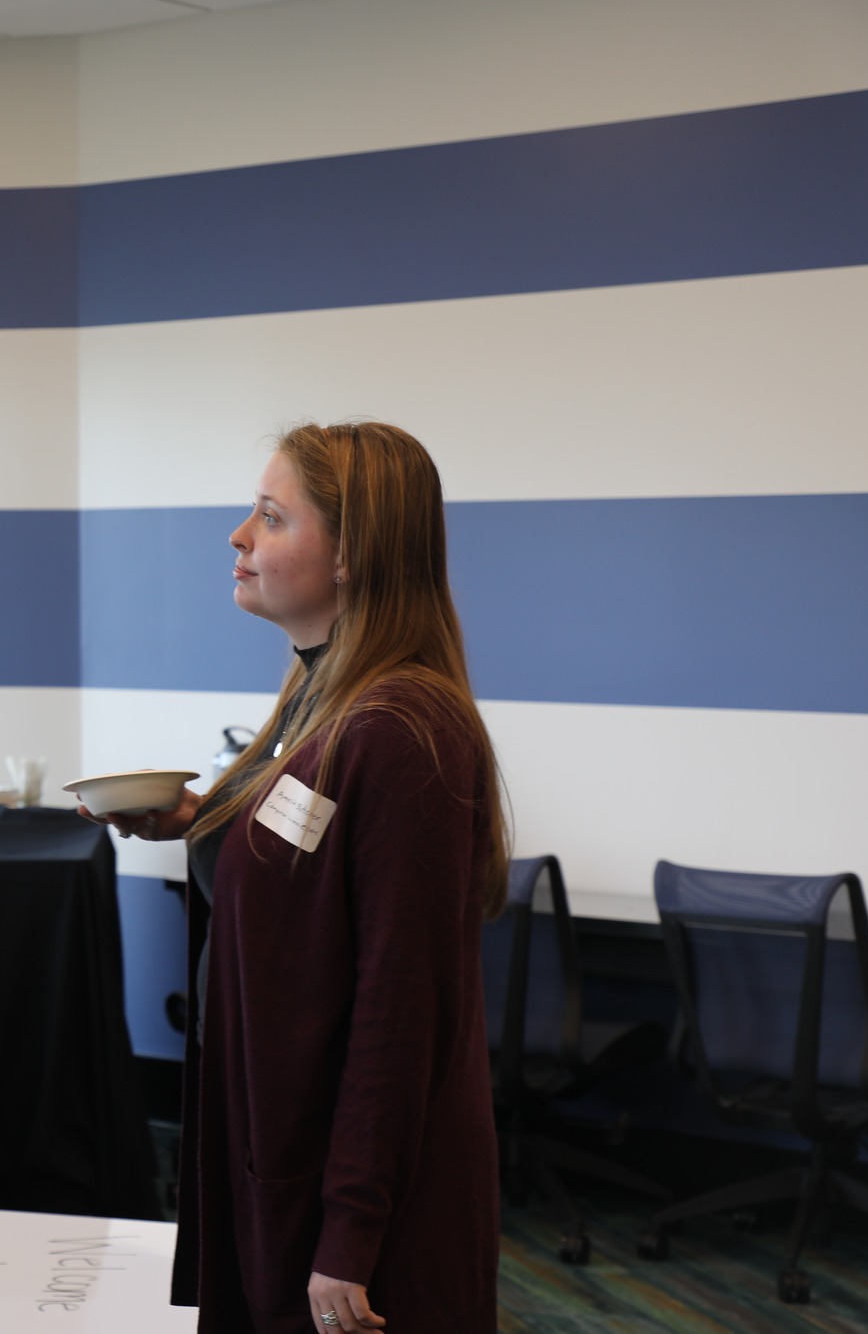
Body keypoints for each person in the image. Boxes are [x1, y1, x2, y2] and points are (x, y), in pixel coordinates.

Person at [91, 421, 505, 1333]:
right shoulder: (324, 696)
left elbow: (400, 1006)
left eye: (271, 517)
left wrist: (350, 1231)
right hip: (283, 1149)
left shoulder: (400, 730)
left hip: (348, 1203)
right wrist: (199, 822)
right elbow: (307, 862)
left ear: (352, 554)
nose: (239, 535)